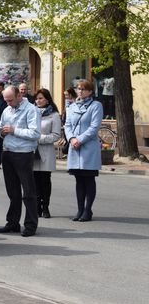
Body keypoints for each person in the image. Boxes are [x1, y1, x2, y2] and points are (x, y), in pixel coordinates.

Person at [0, 86, 41, 237]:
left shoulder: (31, 110)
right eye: (6, 100)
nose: (8, 103)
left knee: (28, 192)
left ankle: (30, 225)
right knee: (12, 191)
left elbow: (35, 133)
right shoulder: (7, 110)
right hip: (7, 152)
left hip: (23, 153)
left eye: (10, 100)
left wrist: (14, 130)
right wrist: (2, 132)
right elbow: (1, 128)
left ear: (19, 96)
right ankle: (12, 222)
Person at [65, 79, 104, 222]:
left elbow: (94, 127)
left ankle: (88, 210)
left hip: (88, 148)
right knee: (78, 180)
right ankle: (80, 209)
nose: (79, 91)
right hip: (74, 147)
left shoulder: (96, 106)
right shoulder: (72, 106)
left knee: (89, 179)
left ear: (90, 91)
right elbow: (67, 125)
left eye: (83, 89)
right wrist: (71, 139)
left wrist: (79, 140)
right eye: (78, 88)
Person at [33, 88, 62, 219]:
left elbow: (56, 135)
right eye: (36, 98)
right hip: (32, 151)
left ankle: (46, 207)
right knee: (34, 181)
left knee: (45, 180)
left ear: (47, 99)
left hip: (45, 152)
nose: (38, 101)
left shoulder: (54, 115)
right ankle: (36, 206)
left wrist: (40, 138)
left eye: (41, 98)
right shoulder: (31, 112)